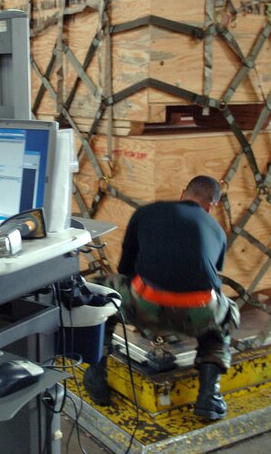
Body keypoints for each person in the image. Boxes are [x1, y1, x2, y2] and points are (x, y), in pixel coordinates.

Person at [83, 176, 240, 421]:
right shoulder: (217, 230)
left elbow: (126, 269)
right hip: (198, 313)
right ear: (212, 206)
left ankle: (96, 377)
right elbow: (208, 275)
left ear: (182, 193)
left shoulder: (147, 212)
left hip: (145, 304)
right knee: (226, 315)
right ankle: (210, 395)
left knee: (101, 291)